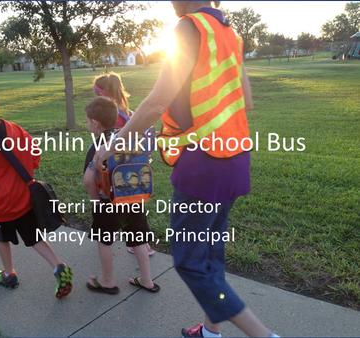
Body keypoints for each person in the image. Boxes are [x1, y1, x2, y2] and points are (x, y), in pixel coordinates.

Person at [95, 1, 279, 337]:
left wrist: (112, 144)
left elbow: (156, 101)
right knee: (211, 254)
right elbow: (246, 100)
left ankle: (265, 335)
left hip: (204, 163)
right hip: (236, 158)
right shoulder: (228, 32)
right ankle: (211, 330)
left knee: (191, 262)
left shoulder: (188, 27)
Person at [0, 85, 73, 298]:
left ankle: (9, 273)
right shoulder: (15, 128)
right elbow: (34, 156)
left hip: (1, 203)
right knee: (34, 236)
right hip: (25, 197)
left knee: (1, 235)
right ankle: (58, 266)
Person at [83, 96, 160, 295]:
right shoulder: (126, 137)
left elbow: (89, 180)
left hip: (108, 200)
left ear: (95, 122)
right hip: (133, 196)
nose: (86, 124)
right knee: (138, 238)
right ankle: (147, 280)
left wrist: (95, 201)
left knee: (105, 240)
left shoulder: (99, 145)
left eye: (86, 120)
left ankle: (107, 281)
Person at [93, 72, 155, 256]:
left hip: (116, 170)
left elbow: (108, 145)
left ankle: (130, 244)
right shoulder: (127, 110)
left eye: (97, 94)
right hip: (135, 167)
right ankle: (141, 244)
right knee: (134, 207)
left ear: (103, 93)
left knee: (119, 208)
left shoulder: (113, 115)